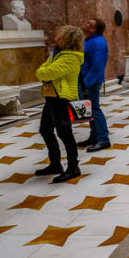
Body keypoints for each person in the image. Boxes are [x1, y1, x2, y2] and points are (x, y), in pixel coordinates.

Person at [35, 25, 85, 183]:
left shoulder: (70, 57)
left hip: (62, 98)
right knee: (45, 130)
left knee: (65, 134)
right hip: (51, 97)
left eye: (59, 35)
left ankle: (73, 167)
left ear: (67, 38)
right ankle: (55, 163)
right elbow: (43, 70)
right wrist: (47, 65)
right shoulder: (57, 54)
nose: (56, 37)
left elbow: (43, 72)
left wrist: (46, 67)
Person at [77, 18, 110, 152]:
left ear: (93, 29)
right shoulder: (90, 40)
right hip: (86, 79)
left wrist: (87, 82)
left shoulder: (97, 42)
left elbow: (97, 65)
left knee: (95, 109)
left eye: (88, 23)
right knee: (90, 110)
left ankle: (103, 139)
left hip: (91, 81)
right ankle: (94, 136)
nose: (84, 24)